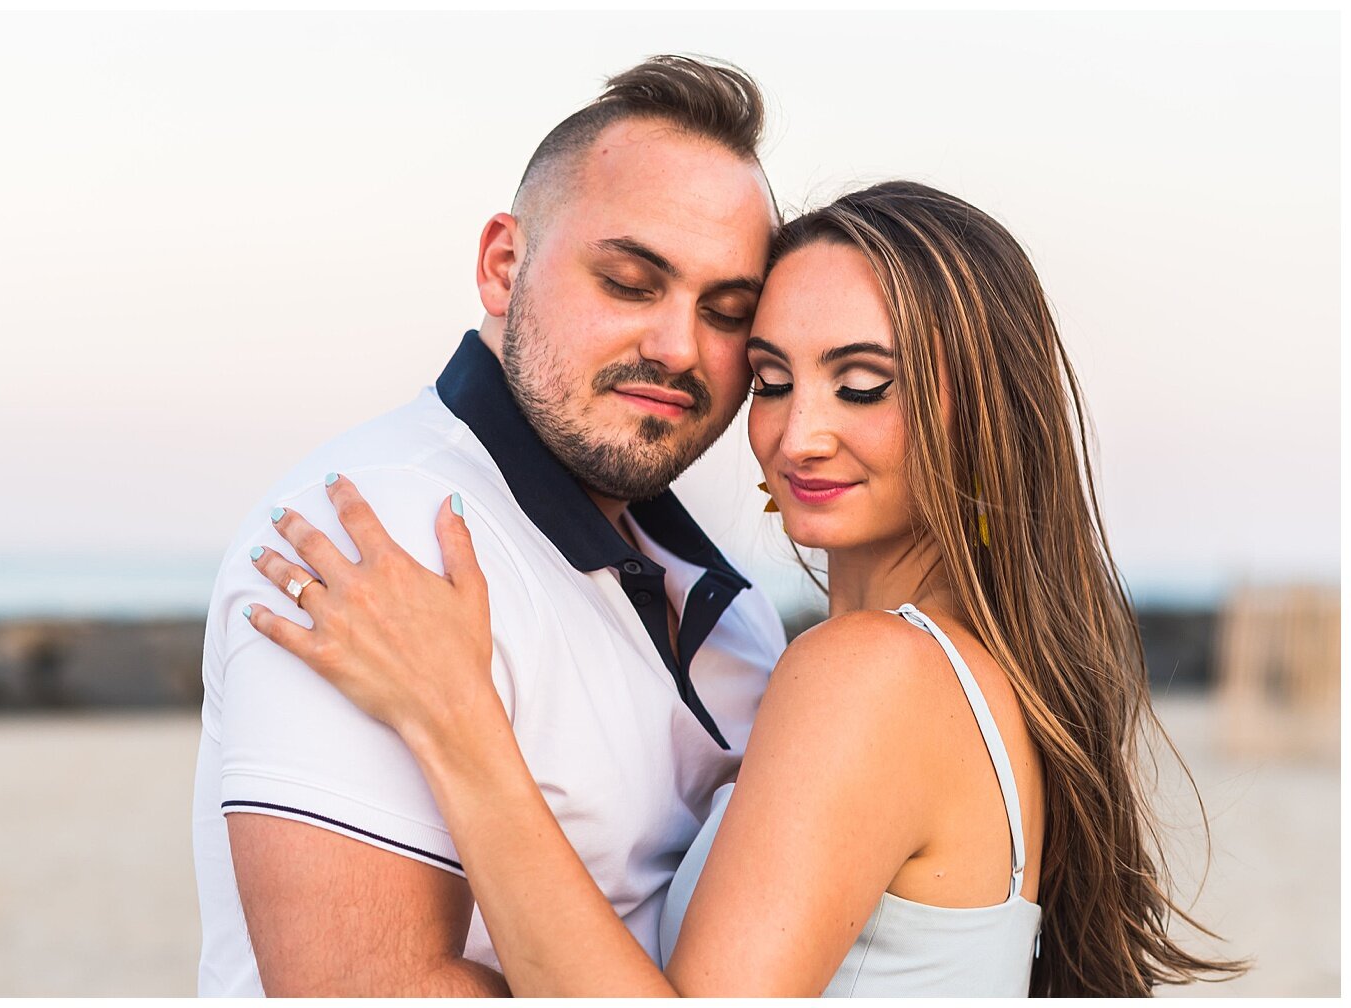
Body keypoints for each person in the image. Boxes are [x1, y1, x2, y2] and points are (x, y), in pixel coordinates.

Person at [244, 181, 1248, 995]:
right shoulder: (969, 676)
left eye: (862, 383)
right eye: (771, 379)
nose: (798, 434)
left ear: (978, 408)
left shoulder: (869, 672)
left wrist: (454, 717)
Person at [191, 55, 787, 996]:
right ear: (503, 266)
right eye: (631, 281)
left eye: (727, 312)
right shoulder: (379, 535)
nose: (679, 347)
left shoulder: (742, 617)